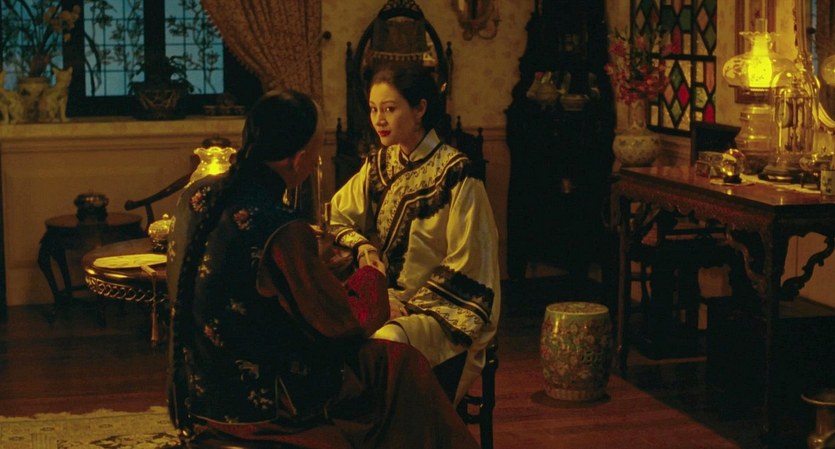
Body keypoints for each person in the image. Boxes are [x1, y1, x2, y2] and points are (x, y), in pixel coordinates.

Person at [166, 89, 480, 449]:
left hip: (196, 389)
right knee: (400, 365)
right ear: (300, 160)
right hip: (265, 406)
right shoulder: (281, 227)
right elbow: (343, 324)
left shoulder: (196, 194)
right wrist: (373, 275)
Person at [329, 64, 501, 405]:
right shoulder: (379, 165)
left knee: (384, 342)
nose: (379, 120)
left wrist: (407, 306)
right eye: (374, 109)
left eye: (390, 109)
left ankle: (404, 426)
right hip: (390, 300)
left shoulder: (457, 173)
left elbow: (470, 263)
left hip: (445, 311)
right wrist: (362, 247)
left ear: (420, 108)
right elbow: (335, 216)